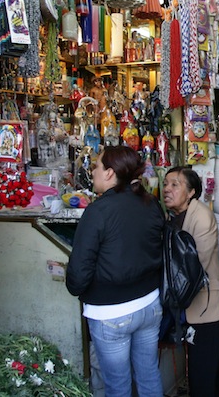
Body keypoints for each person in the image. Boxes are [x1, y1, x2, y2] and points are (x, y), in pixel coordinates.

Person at [66, 146, 165, 397]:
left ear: (110, 173)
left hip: (112, 312)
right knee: (149, 374)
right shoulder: (150, 203)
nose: (93, 172)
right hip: (149, 305)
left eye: (97, 166)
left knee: (118, 386)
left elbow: (79, 271)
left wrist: (79, 289)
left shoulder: (98, 211)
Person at [163, 167, 219, 396]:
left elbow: (195, 265)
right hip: (194, 306)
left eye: (175, 184)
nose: (167, 190)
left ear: (191, 192)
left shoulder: (201, 217)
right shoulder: (174, 216)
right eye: (166, 184)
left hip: (205, 305)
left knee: (202, 374)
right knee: (209, 369)